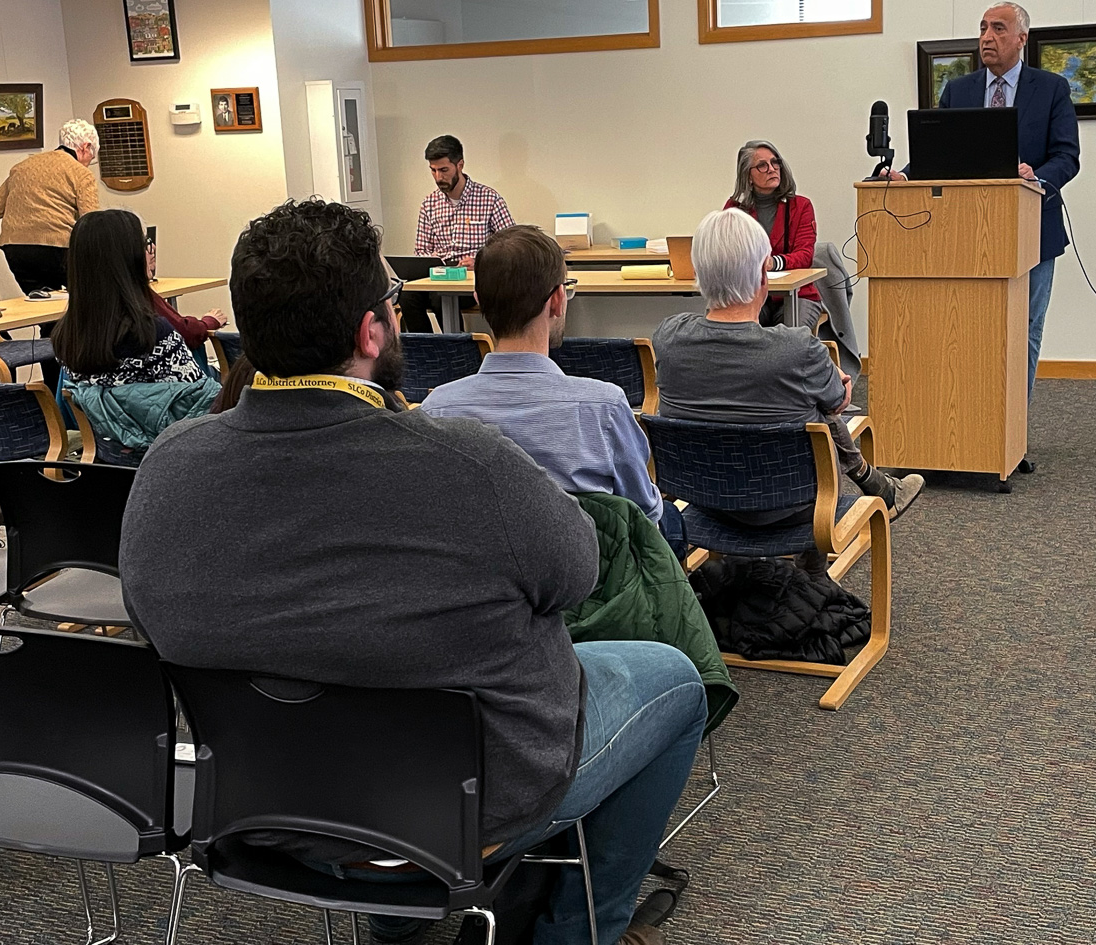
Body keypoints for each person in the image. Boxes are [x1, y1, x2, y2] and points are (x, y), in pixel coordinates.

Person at [120, 198, 701, 945]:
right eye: (393, 301)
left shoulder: (168, 468)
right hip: (477, 796)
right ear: (371, 330)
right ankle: (577, 930)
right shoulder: (469, 464)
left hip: (260, 803)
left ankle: (397, 927)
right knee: (676, 678)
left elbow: (153, 616)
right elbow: (577, 574)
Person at [653, 208, 923, 521]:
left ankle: (876, 485)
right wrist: (827, 375)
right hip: (793, 507)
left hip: (701, 498)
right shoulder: (798, 348)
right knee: (814, 405)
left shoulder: (668, 336)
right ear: (762, 275)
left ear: (698, 272)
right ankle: (871, 489)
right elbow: (839, 402)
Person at [421, 225, 666, 528]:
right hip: (589, 573)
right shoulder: (605, 408)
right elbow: (645, 516)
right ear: (558, 300)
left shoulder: (436, 411)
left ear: (479, 300)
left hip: (481, 572)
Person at [910, 1, 1082, 401]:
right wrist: (905, 174)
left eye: (999, 29)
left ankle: (1013, 431)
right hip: (968, 231)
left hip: (1033, 229)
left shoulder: (1051, 88)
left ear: (1022, 38)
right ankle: (975, 423)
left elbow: (1066, 156)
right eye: (984, 28)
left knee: (1025, 327)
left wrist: (1036, 177)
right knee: (970, 328)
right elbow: (938, 152)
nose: (987, 37)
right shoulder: (960, 89)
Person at [52, 211, 217, 458]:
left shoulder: (66, 339)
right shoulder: (154, 334)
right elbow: (200, 404)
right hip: (171, 460)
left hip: (110, 461)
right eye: (144, 245)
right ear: (131, 259)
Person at [723, 141, 862, 364]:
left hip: (798, 295)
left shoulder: (801, 206)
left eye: (775, 162)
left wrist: (773, 263)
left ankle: (790, 395)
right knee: (738, 336)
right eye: (762, 165)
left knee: (789, 343)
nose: (772, 168)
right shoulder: (734, 209)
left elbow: (805, 255)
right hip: (752, 293)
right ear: (747, 176)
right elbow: (728, 250)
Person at [400, 134, 513, 332]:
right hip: (439, 276)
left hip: (473, 279)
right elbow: (421, 251)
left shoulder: (489, 198)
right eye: (433, 171)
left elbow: (512, 247)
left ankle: (455, 352)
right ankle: (428, 353)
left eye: (444, 170)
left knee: (440, 298)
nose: (438, 177)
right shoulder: (429, 204)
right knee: (407, 296)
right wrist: (430, 264)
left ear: (459, 165)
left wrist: (480, 262)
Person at [0, 118, 101, 293]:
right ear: (85, 147)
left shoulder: (22, 168)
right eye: (91, 157)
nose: (89, 163)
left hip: (17, 251)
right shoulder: (81, 174)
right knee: (86, 301)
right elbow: (91, 221)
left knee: (42, 305)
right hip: (58, 249)